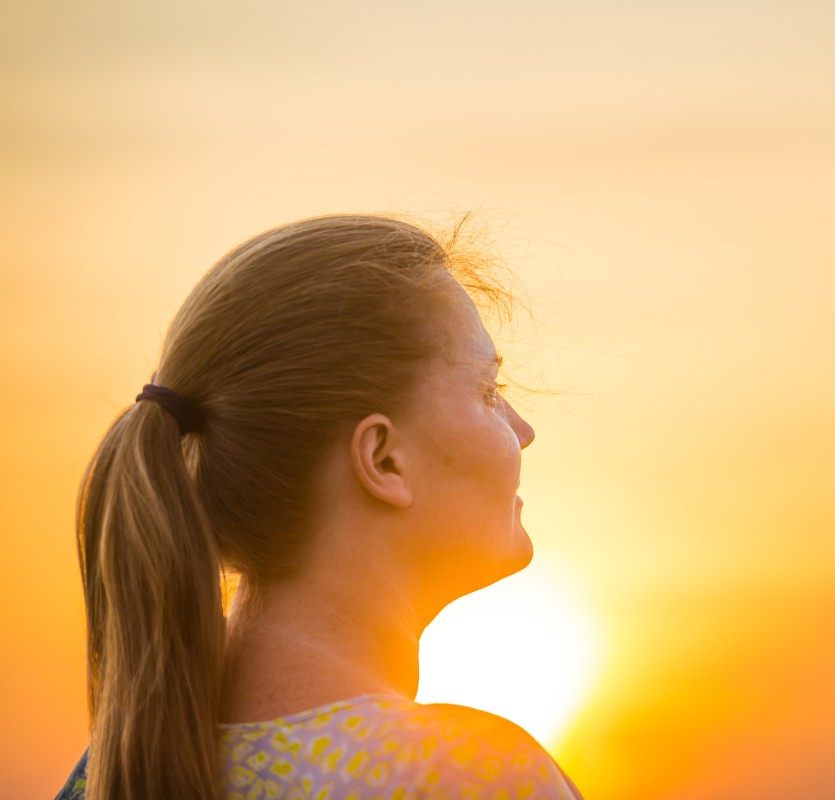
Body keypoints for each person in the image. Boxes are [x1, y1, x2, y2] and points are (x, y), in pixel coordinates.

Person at [56, 214, 584, 800]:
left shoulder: (108, 774)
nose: (524, 429)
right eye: (488, 392)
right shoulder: (469, 777)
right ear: (383, 460)